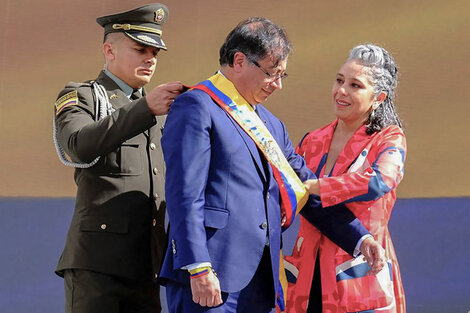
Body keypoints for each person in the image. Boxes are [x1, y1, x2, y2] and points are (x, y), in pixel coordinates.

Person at [159, 18, 385, 313]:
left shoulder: (271, 125)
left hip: (262, 279)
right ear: (239, 61)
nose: (277, 85)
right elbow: (184, 194)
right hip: (211, 276)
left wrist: (360, 237)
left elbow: (305, 189)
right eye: (271, 73)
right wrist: (198, 266)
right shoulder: (197, 106)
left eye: (282, 75)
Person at [53, 4, 183, 313]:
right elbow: (76, 146)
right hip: (98, 266)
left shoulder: (161, 111)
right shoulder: (84, 95)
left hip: (148, 265)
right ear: (109, 50)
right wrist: (145, 109)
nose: (150, 59)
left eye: (155, 53)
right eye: (141, 49)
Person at [284, 43, 406, 313]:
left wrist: (319, 187)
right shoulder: (312, 140)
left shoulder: (389, 138)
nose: (341, 91)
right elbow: (292, 195)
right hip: (305, 275)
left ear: (379, 97)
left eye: (355, 85)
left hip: (359, 274)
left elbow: (379, 182)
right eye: (339, 80)